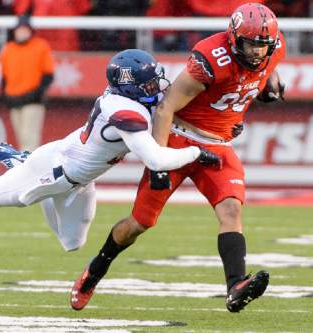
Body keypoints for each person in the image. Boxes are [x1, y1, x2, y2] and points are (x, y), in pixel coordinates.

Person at [71, 3, 286, 313]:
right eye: (250, 44)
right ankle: (94, 272)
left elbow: (265, 70)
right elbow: (165, 109)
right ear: (233, 38)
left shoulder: (272, 49)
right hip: (178, 139)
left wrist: (267, 87)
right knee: (139, 223)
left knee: (230, 211)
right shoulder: (211, 60)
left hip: (217, 146)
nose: (256, 52)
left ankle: (236, 286)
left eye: (261, 45)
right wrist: (156, 159)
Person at [0, 49, 221, 252]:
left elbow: (173, 107)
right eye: (149, 82)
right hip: (56, 169)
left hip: (79, 178)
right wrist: (198, 152)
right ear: (130, 87)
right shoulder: (122, 111)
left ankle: (22, 163)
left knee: (73, 244)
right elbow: (155, 158)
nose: (157, 86)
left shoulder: (131, 97)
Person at [0, 15, 55, 152]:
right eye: (19, 30)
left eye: (24, 30)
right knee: (21, 138)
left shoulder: (40, 46)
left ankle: (30, 169)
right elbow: (4, 76)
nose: (21, 33)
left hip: (32, 100)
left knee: (29, 138)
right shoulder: (9, 49)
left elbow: (48, 74)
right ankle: (27, 167)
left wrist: (37, 93)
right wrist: (5, 95)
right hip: (15, 99)